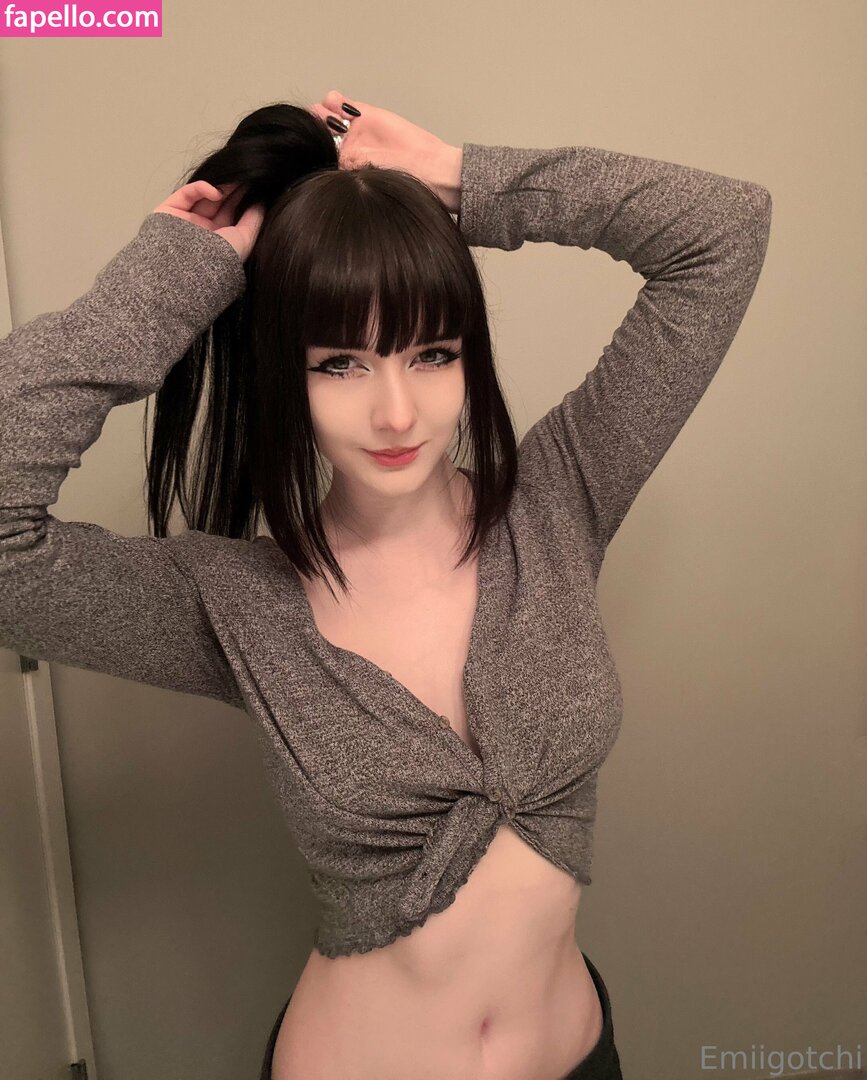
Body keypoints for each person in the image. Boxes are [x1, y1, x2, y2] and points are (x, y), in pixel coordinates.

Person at [0, 89, 772, 1080]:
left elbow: (722, 229)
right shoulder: (233, 605)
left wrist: (463, 179)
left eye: (432, 353)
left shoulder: (558, 502)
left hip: (582, 1056)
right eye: (342, 364)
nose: (398, 411)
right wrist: (168, 280)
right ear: (285, 375)